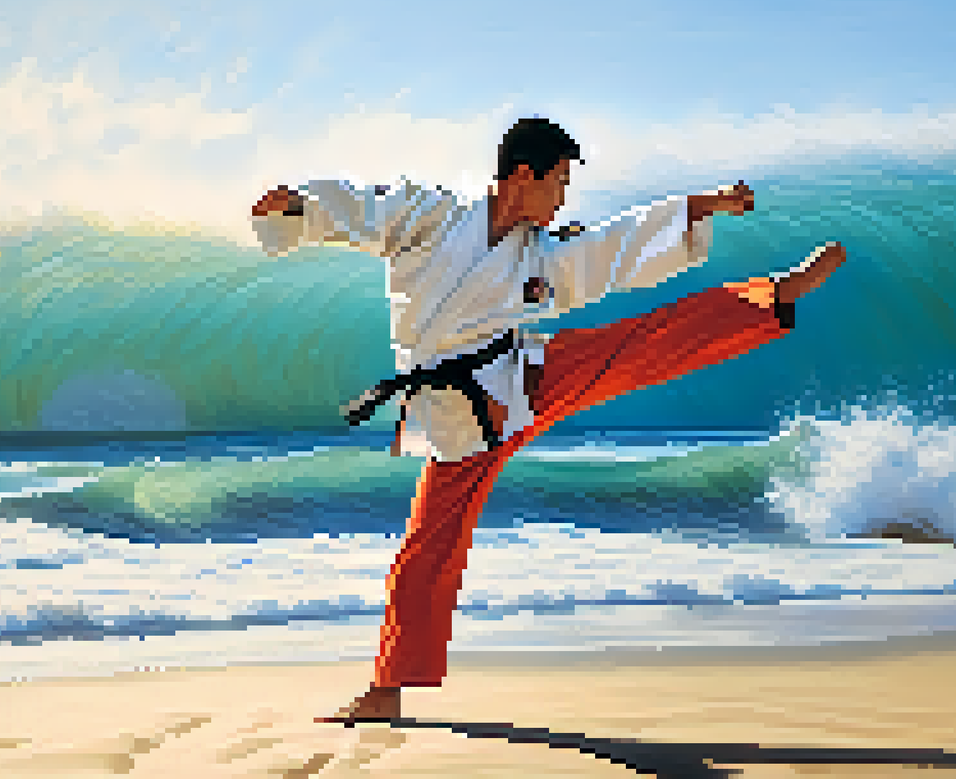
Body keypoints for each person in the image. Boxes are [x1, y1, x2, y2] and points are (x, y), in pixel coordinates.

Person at [250, 117, 845, 722]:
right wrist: (298, 207)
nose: (563, 197)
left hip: (525, 376)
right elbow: (364, 208)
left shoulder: (540, 253)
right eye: (559, 181)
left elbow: (617, 247)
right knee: (426, 551)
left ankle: (773, 296)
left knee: (638, 347)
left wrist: (703, 205)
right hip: (461, 416)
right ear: (524, 174)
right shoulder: (432, 214)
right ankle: (387, 691)